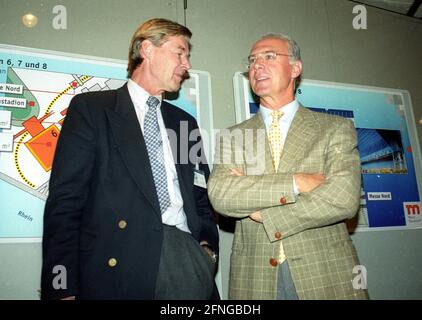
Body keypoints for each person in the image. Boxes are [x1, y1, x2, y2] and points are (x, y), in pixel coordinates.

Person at [41, 18, 219, 300]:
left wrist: (207, 250)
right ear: (147, 49)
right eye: (180, 52)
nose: (186, 64)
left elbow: (201, 196)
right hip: (117, 267)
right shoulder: (92, 110)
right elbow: (66, 201)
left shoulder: (185, 123)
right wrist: (61, 286)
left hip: (186, 261)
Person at [208, 33, 368, 300]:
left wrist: (265, 214)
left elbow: (343, 199)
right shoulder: (233, 136)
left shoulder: (334, 129)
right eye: (252, 60)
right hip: (255, 277)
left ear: (295, 68)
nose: (256, 65)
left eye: (269, 56)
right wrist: (297, 181)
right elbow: (223, 196)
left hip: (325, 274)